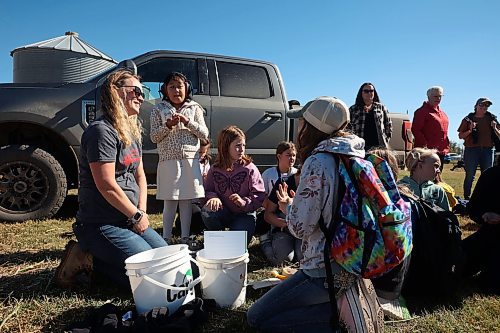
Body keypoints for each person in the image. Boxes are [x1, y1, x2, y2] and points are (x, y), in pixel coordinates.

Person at [247, 96, 383, 332]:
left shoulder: (317, 162)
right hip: (350, 260)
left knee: (257, 317)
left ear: (311, 128)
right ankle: (342, 308)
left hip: (322, 270)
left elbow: (301, 227)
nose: (298, 128)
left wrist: (287, 205)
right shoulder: (355, 156)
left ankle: (338, 322)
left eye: (301, 123)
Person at [56, 69, 167, 289]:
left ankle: (105, 259)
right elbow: (106, 184)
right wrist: (135, 216)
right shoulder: (101, 131)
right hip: (101, 223)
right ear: (116, 93)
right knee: (149, 279)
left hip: (128, 219)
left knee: (166, 261)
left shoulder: (131, 132)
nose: (141, 96)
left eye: (143, 91)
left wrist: (141, 212)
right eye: (135, 90)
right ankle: (86, 259)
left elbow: (140, 174)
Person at [150, 72, 209, 243]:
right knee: (170, 200)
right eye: (172, 87)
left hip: (190, 161)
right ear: (165, 90)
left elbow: (204, 133)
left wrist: (188, 122)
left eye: (180, 86)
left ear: (187, 88)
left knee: (186, 200)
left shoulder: (195, 108)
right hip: (168, 161)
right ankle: (166, 238)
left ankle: (184, 237)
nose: (176, 90)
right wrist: (167, 126)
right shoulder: (158, 109)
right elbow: (154, 137)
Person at [201, 125, 265, 244]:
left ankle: (242, 234)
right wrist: (213, 197)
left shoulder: (249, 169)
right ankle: (218, 237)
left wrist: (244, 202)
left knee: (236, 244)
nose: (241, 149)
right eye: (237, 146)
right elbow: (208, 190)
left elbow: (259, 195)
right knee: (207, 211)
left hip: (244, 214)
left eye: (243, 145)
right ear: (225, 147)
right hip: (224, 211)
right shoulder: (215, 169)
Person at [463, 164, 500, 294]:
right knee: (455, 265)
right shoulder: (491, 174)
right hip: (490, 233)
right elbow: (473, 208)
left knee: (492, 285)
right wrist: (484, 215)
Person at [457, 97, 500, 199]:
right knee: (470, 175)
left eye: (487, 106)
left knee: (488, 175)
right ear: (476, 106)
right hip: (471, 150)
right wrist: (470, 130)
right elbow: (460, 136)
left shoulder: (492, 119)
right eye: (482, 105)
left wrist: (494, 128)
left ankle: (485, 198)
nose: (484, 107)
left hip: (488, 150)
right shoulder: (468, 119)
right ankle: (467, 198)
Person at [261, 167, 303, 266]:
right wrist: (286, 224)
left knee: (304, 258)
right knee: (283, 261)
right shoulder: (283, 183)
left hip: (303, 231)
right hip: (283, 228)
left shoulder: (316, 186)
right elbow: (268, 215)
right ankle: (265, 241)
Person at [411, 86, 450, 169]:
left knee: (437, 176)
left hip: (441, 150)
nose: (438, 98)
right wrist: (425, 146)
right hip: (427, 152)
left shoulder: (443, 113)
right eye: (436, 96)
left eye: (440, 96)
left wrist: (446, 144)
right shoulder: (421, 111)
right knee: (426, 175)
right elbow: (415, 130)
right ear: (428, 96)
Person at [348, 82, 392, 150]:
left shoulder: (381, 108)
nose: (369, 93)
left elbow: (388, 126)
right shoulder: (353, 109)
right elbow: (348, 128)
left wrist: (385, 140)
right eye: (366, 91)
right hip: (359, 148)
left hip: (378, 148)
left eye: (371, 91)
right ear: (361, 93)